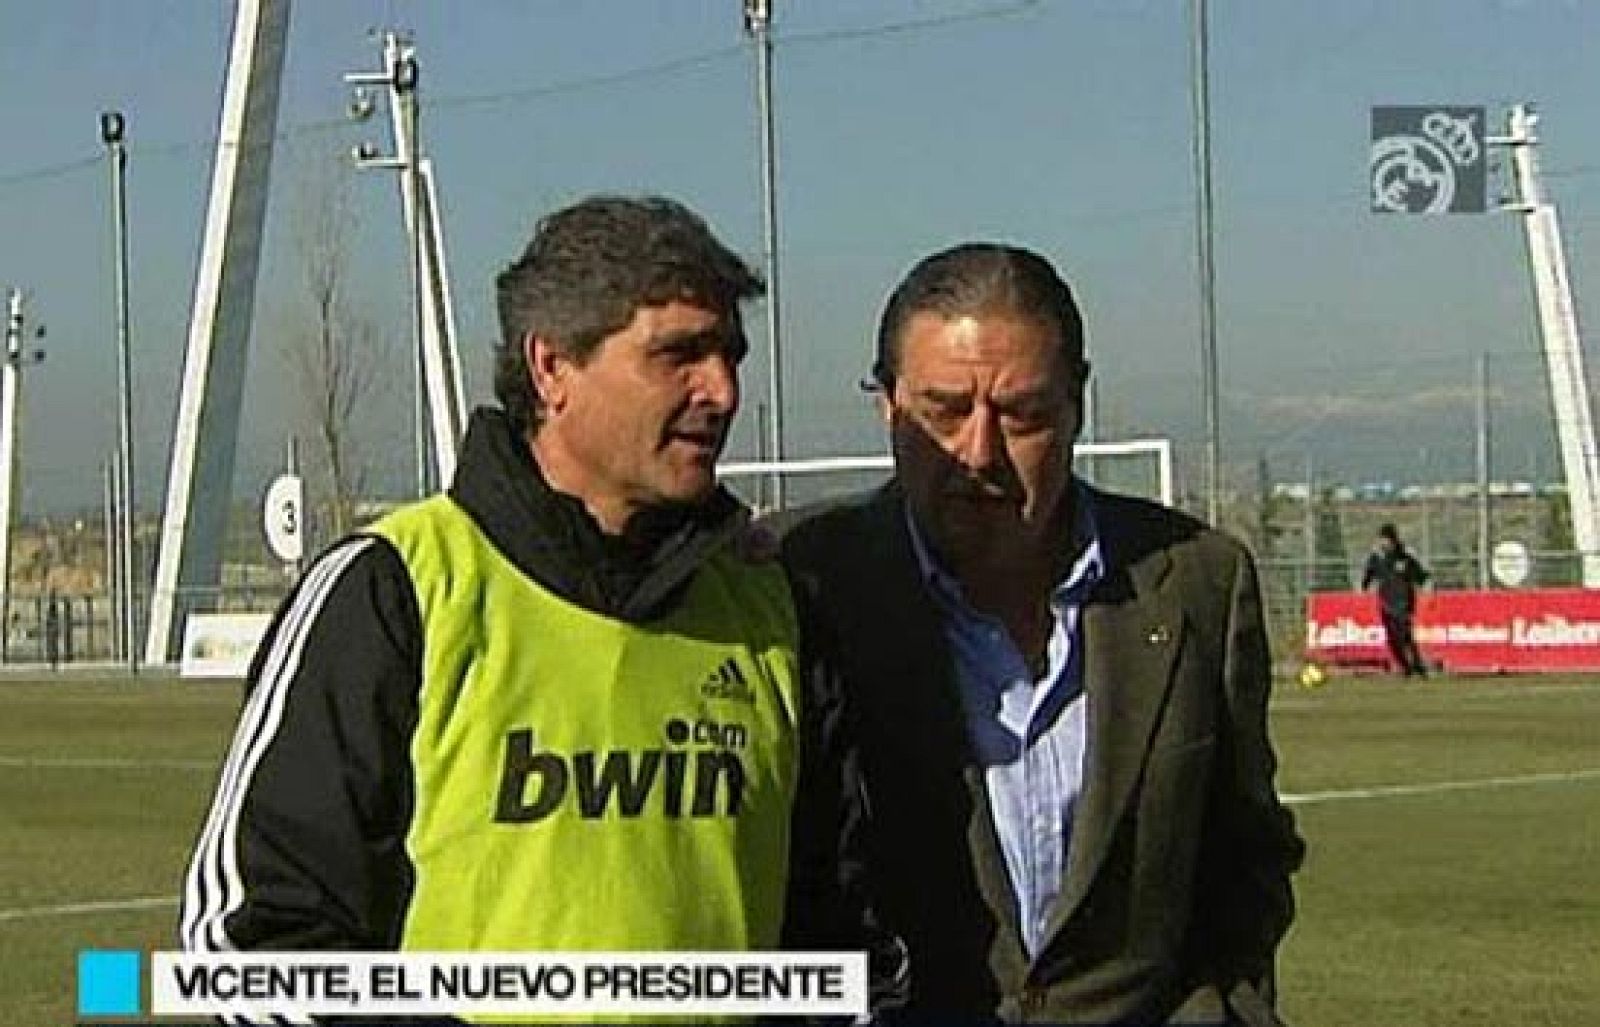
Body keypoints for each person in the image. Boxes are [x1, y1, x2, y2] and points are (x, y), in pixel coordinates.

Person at [180, 196, 886, 1003]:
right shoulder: (395, 589)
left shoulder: (772, 609)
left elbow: (837, 934)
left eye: (731, 353)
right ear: (551, 366)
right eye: (679, 353)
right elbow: (256, 940)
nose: (721, 389)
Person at [780, 243, 1304, 1024]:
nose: (979, 452)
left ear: (1077, 402)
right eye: (944, 410)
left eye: (1022, 413)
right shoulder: (802, 583)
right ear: (887, 405)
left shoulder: (1198, 580)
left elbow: (1246, 860)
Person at [1361, 522, 1430, 677]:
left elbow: (1420, 576)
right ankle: (1405, 666)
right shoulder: (1376, 558)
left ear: (1392, 540)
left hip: (1404, 602)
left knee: (1405, 635)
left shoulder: (1404, 557)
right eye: (1381, 540)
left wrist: (1423, 583)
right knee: (1392, 638)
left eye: (1385, 540)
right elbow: (1368, 575)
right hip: (1386, 602)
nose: (1382, 543)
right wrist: (1365, 586)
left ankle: (1418, 665)